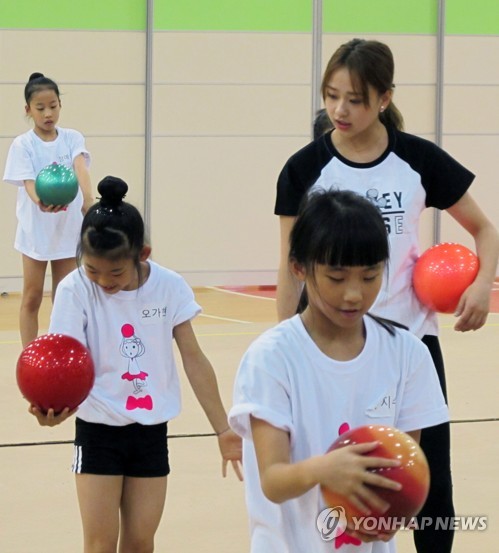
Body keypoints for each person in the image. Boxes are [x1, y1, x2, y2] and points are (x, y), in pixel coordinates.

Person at [274, 38, 499, 553]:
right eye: (331, 96)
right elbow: (290, 267)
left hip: (411, 343)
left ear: (384, 98)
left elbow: (485, 229)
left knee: (429, 485)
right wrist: (284, 344)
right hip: (330, 348)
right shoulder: (304, 168)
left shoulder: (417, 159)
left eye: (354, 99)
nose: (340, 110)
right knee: (340, 478)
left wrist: (482, 284)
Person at [29, 176, 243, 553]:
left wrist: (223, 429)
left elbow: (193, 358)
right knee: (100, 544)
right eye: (92, 270)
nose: (103, 281)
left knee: (141, 543)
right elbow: (65, 361)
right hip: (98, 429)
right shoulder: (74, 289)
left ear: (142, 254)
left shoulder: (169, 287)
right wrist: (54, 408)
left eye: (115, 272)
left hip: (150, 431)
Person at [229, 189, 449, 552]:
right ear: (299, 267)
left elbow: (403, 470)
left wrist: (389, 514)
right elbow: (273, 481)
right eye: (336, 277)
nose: (354, 294)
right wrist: (325, 470)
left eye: (370, 276)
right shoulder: (271, 358)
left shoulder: (407, 354)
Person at [3, 72, 93, 348]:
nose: (48, 113)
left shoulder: (72, 138)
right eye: (40, 108)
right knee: (31, 297)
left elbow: (80, 167)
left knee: (64, 297)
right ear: (28, 109)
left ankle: (62, 351)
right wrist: (39, 201)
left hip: (67, 228)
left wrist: (88, 201)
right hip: (36, 231)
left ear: (60, 105)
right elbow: (28, 181)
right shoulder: (23, 144)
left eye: (53, 106)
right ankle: (29, 356)